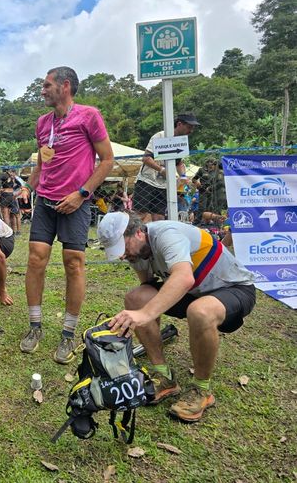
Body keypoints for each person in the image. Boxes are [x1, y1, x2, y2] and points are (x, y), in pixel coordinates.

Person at [98, 212, 255, 422]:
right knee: (136, 298)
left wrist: (145, 315)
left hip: (233, 288)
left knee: (200, 311)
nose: (122, 255)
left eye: (123, 247)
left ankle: (201, 390)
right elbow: (147, 287)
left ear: (138, 233)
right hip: (194, 292)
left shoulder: (167, 234)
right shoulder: (136, 252)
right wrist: (141, 314)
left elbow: (183, 277)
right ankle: (164, 375)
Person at [19, 66, 114, 364]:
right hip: (45, 202)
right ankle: (35, 327)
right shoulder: (42, 123)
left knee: (74, 263)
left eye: (47, 85)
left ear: (66, 86)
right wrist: (28, 187)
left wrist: (81, 194)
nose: (42, 91)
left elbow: (107, 160)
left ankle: (68, 333)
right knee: (35, 260)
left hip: (76, 202)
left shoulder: (89, 116)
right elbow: (42, 162)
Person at [133, 113, 199, 222]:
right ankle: (132, 232)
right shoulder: (160, 136)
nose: (191, 131)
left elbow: (179, 162)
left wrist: (183, 176)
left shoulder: (181, 141)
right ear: (179, 124)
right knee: (140, 215)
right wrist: (161, 169)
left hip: (164, 185)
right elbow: (146, 158)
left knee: (159, 218)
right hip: (147, 181)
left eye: (192, 128)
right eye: (189, 127)